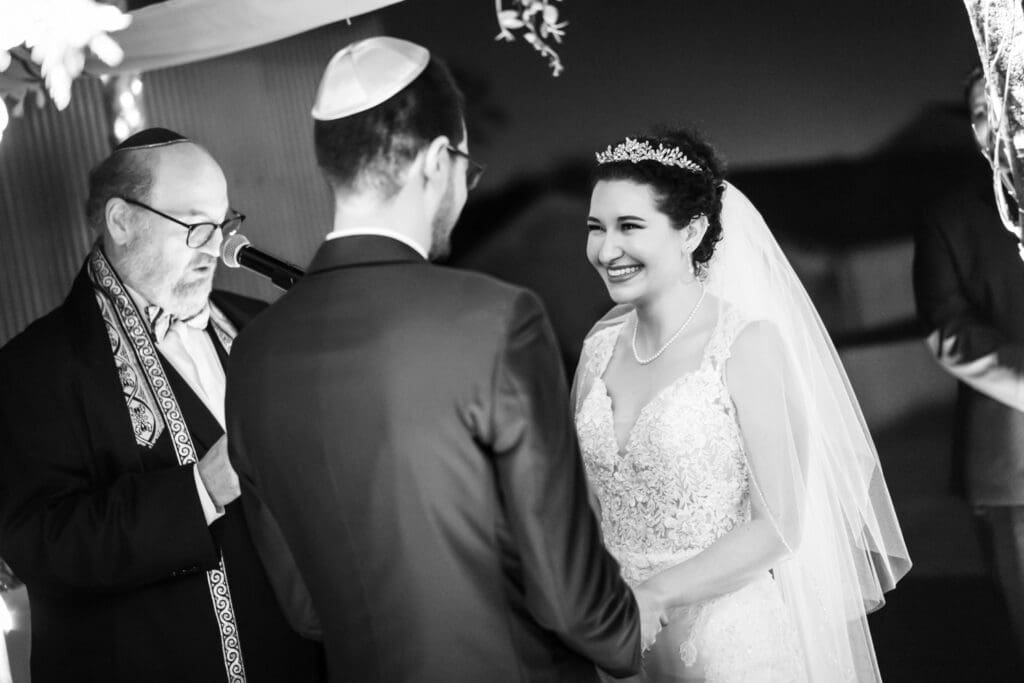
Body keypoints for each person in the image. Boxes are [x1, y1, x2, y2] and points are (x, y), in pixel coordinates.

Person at [225, 37, 641, 682]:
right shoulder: (497, 320)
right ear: (438, 159)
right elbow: (569, 599)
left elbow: (306, 608)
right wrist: (630, 640)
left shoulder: (253, 349)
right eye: (467, 169)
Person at [574, 130, 912, 681]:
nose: (606, 249)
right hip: (617, 645)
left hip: (727, 645)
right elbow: (583, 507)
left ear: (693, 231)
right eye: (596, 228)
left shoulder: (746, 344)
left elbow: (778, 525)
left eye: (630, 226)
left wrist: (654, 595)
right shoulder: (597, 351)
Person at [0, 128, 324, 682]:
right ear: (122, 222)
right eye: (196, 225)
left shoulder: (259, 325)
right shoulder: (32, 368)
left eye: (224, 225)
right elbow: (42, 548)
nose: (218, 249)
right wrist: (205, 487)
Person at [913, 67, 1024, 661]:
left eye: (1003, 106)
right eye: (980, 114)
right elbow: (945, 330)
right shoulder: (949, 217)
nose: (993, 124)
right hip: (1015, 465)